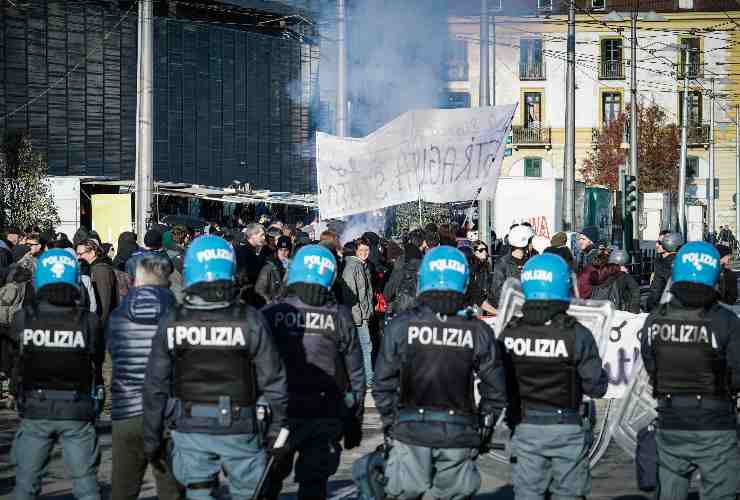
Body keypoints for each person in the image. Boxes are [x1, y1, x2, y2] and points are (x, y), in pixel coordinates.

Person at [143, 235, 289, 500]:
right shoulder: (250, 319)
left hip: (190, 428)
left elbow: (155, 385)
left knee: (198, 493)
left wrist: (152, 437)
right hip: (241, 426)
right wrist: (277, 431)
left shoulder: (173, 321)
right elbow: (274, 381)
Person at [371, 246, 507, 499]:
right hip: (459, 429)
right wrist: (483, 428)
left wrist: (392, 421)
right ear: (464, 282)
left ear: (423, 279)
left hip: (410, 427)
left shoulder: (401, 326)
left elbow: (382, 384)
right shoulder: (478, 331)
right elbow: (496, 390)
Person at [499, 253, 608, 500]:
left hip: (525, 425)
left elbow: (498, 382)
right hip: (567, 426)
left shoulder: (511, 333)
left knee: (528, 494)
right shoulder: (577, 334)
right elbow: (596, 388)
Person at [261, 245, 366, 500]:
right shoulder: (339, 315)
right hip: (324, 411)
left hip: (280, 412)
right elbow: (356, 375)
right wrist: (354, 420)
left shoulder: (273, 312)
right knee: (314, 486)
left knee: (268, 480)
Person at [640, 241, 740, 500]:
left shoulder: (655, 319)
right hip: (716, 422)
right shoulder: (725, 320)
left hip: (671, 421)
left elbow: (651, 365)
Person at [9, 248, 105, 500]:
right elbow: (97, 362)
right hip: (76, 409)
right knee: (86, 486)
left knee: (25, 486)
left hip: (35, 408)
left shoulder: (24, 318)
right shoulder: (89, 321)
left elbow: (16, 363)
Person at [106, 257, 181, 500]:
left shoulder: (118, 317)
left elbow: (114, 356)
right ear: (166, 282)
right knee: (171, 490)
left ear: (136, 280)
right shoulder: (177, 315)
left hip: (127, 411)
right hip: (166, 411)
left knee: (122, 489)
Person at [338, 236, 375, 387]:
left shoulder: (361, 265)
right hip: (357, 315)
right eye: (361, 250)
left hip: (362, 314)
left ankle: (365, 378)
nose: (365, 253)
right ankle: (368, 378)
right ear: (356, 251)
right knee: (366, 346)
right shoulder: (353, 267)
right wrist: (359, 316)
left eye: (367, 250)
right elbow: (350, 295)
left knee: (363, 346)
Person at [489, 224, 534, 311]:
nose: (532, 244)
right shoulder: (503, 263)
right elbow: (497, 291)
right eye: (531, 241)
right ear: (524, 242)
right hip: (511, 312)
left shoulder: (531, 262)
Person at [384, 229, 427, 317]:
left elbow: (394, 282)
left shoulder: (402, 259)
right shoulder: (426, 260)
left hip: (402, 307)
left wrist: (387, 295)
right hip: (420, 308)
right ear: (423, 243)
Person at [76, 238, 119, 324]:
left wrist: (99, 326)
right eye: (77, 254)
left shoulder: (100, 270)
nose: (78, 257)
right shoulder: (93, 268)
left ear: (92, 253)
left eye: (80, 254)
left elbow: (105, 302)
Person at [646, 232, 683, 311]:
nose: (657, 245)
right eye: (657, 242)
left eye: (660, 243)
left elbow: (656, 290)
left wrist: (650, 308)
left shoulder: (664, 265)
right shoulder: (683, 260)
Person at [255, 235, 292, 305]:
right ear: (277, 250)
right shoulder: (269, 267)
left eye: (286, 250)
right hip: (271, 306)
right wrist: (270, 302)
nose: (283, 253)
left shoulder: (293, 268)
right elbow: (259, 290)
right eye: (280, 250)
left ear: (289, 251)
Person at [468, 240, 496, 315]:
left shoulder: (486, 265)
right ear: (475, 252)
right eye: (481, 250)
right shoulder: (471, 265)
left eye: (485, 249)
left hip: (484, 299)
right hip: (475, 301)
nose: (484, 252)